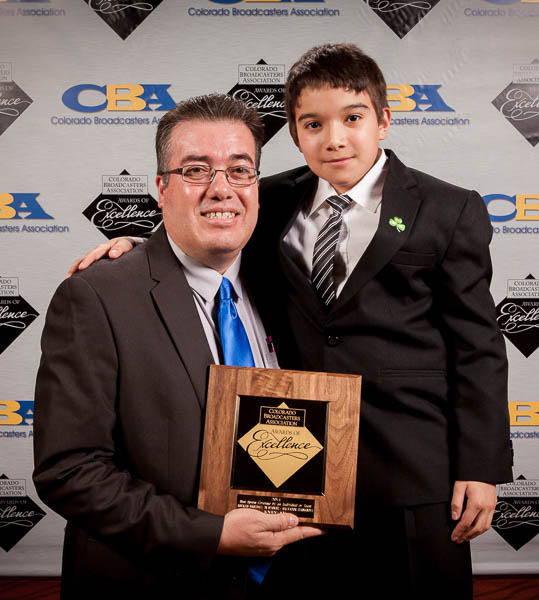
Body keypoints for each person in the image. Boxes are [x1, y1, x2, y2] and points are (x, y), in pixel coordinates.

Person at [70, 44, 512, 597]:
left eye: (352, 118)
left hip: (415, 469)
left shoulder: (448, 209)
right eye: (313, 124)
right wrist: (137, 249)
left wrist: (480, 466)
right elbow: (204, 228)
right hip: (300, 470)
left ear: (383, 120)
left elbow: (478, 348)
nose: (334, 139)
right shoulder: (272, 198)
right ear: (296, 134)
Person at [33, 93, 323, 599]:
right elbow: (69, 470)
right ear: (161, 188)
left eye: (240, 171)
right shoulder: (97, 297)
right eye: (196, 170)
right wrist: (211, 535)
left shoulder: (286, 284)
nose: (221, 189)